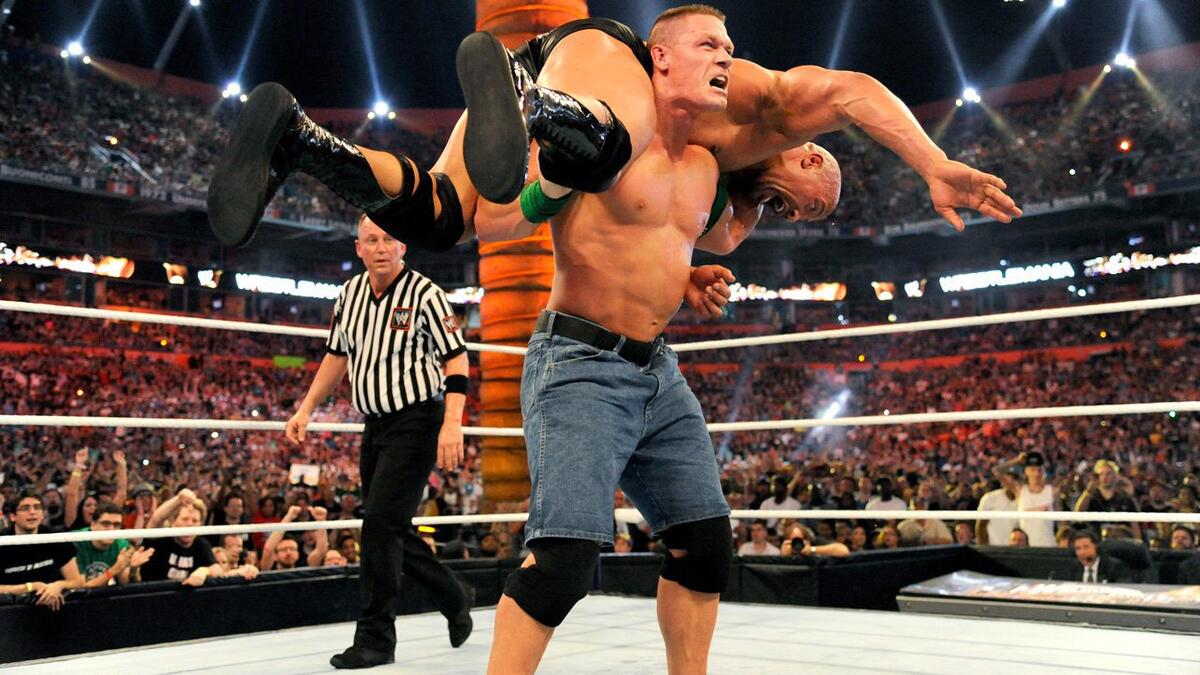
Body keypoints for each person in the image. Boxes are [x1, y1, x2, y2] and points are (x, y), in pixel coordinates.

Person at [207, 7, 1020, 253]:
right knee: (617, 143)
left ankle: (298, 140)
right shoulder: (756, 102)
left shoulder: (724, 198)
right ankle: (526, 101)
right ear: (805, 154)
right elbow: (854, 91)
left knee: (444, 219)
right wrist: (932, 162)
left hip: (547, 97)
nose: (798, 214)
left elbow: (712, 241)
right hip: (593, 60)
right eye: (809, 201)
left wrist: (690, 273)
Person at [484, 9, 740, 674]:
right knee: (563, 561)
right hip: (579, 360)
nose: (726, 58)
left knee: (705, 546)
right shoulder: (604, 137)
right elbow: (499, 219)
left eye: (729, 48)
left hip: (658, 370)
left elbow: (667, 240)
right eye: (708, 44)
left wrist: (689, 276)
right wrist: (548, 187)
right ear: (660, 57)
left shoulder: (707, 167)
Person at [285, 214, 474, 668]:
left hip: (418, 419)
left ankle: (375, 638)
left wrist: (452, 423)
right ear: (359, 248)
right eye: (372, 239)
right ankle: (454, 595)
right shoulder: (349, 294)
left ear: (403, 246)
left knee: (379, 528)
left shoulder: (426, 294)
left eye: (390, 238)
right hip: (375, 423)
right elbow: (336, 356)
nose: (382, 247)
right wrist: (306, 408)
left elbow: (457, 358)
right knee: (388, 525)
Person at [0, 487, 83, 611]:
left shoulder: (56, 539)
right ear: (13, 517)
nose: (32, 512)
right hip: (9, 611)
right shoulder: (2, 542)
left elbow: (77, 581)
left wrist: (58, 585)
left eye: (37, 507)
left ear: (42, 514)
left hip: (53, 608)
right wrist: (30, 587)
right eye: (25, 508)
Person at [73, 500, 153, 587]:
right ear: (93, 525)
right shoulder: (76, 542)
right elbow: (81, 588)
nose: (111, 529)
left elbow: (125, 582)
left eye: (116, 525)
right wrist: (115, 569)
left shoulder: (121, 545)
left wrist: (133, 569)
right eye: (105, 524)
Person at [1015, 452, 1056, 547]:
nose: (1036, 474)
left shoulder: (1052, 491)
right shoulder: (1020, 490)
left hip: (1048, 545)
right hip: (1025, 546)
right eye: (1032, 469)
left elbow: (1062, 521)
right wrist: (1017, 460)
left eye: (1039, 470)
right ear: (1026, 471)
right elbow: (997, 471)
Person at [975, 469, 1020, 546]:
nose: (1012, 483)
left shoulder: (1024, 499)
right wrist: (983, 548)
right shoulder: (990, 498)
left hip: (1015, 548)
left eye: (1015, 479)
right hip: (993, 547)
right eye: (1008, 480)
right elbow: (981, 525)